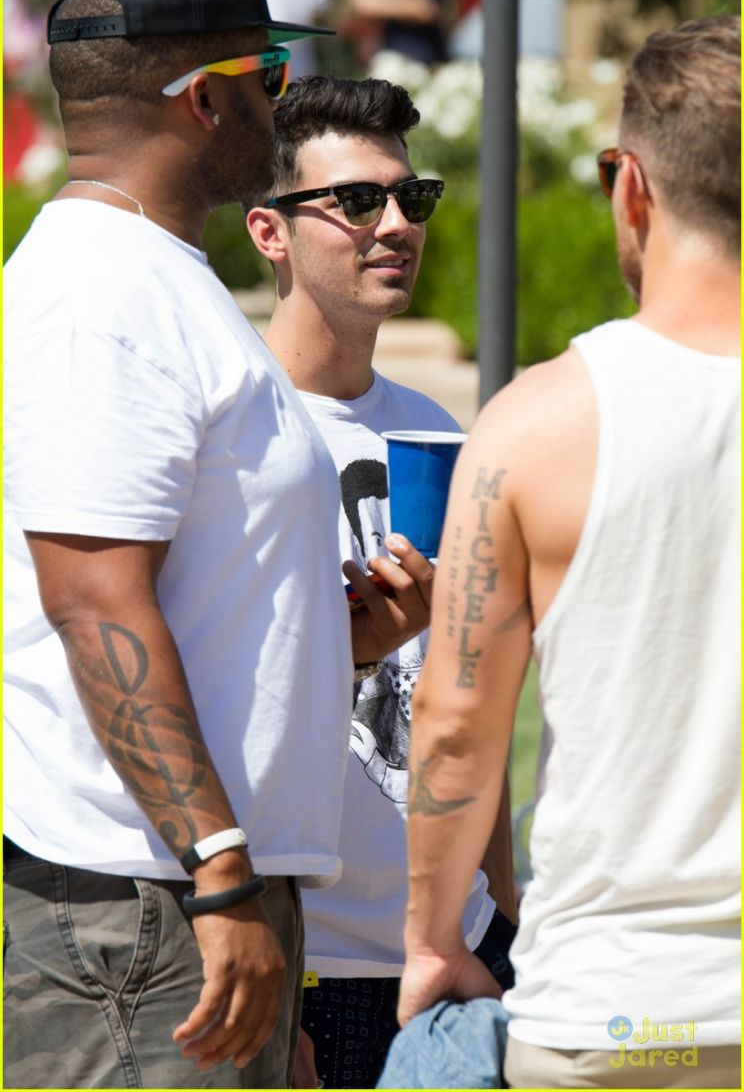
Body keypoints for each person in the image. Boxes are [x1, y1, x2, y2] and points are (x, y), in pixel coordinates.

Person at [4, 0, 429, 1089]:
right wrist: (225, 876)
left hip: (188, 899)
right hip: (146, 902)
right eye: (268, 76)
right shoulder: (101, 292)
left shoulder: (154, 277)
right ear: (202, 99)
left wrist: (350, 644)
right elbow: (92, 602)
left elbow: (193, 601)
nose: (279, 102)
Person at [398, 14, 741, 1090]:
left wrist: (431, 939)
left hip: (616, 1015)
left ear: (631, 186)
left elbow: (457, 726)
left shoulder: (537, 424)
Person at [245, 74, 517, 1089]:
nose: (397, 224)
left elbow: (472, 690)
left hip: (455, 952)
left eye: (413, 197)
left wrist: (501, 909)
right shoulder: (234, 432)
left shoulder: (439, 431)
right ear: (270, 232)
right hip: (304, 963)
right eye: (358, 201)